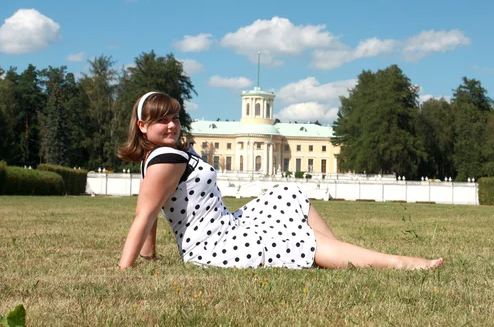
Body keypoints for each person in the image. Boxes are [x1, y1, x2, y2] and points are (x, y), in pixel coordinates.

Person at [118, 92, 444, 271]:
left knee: (288, 192)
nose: (171, 125)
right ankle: (396, 263)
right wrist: (125, 269)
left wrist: (149, 257)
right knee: (295, 237)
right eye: (162, 120)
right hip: (214, 246)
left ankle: (340, 255)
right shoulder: (167, 158)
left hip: (225, 227)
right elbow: (144, 216)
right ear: (143, 126)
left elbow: (152, 212)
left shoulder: (163, 155)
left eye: (174, 117)